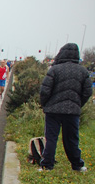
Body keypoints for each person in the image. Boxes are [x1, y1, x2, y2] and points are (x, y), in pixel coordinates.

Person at [39, 43, 92, 173]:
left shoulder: (54, 70)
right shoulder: (83, 71)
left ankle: (47, 165)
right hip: (73, 110)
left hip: (53, 110)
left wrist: (44, 104)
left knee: (51, 138)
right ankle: (77, 165)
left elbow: (45, 90)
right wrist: (78, 104)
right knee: (72, 139)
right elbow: (87, 92)